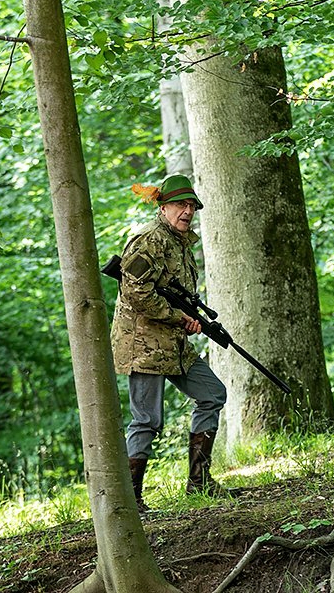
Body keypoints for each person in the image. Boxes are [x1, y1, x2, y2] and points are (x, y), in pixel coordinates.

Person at [111, 174, 234, 512]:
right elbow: (135, 291)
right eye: (181, 204)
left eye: (192, 206)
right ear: (163, 206)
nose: (187, 211)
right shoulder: (148, 240)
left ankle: (199, 482)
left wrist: (189, 318)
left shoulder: (180, 242)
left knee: (212, 394)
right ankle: (131, 501)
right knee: (147, 419)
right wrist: (178, 317)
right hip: (144, 344)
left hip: (174, 343)